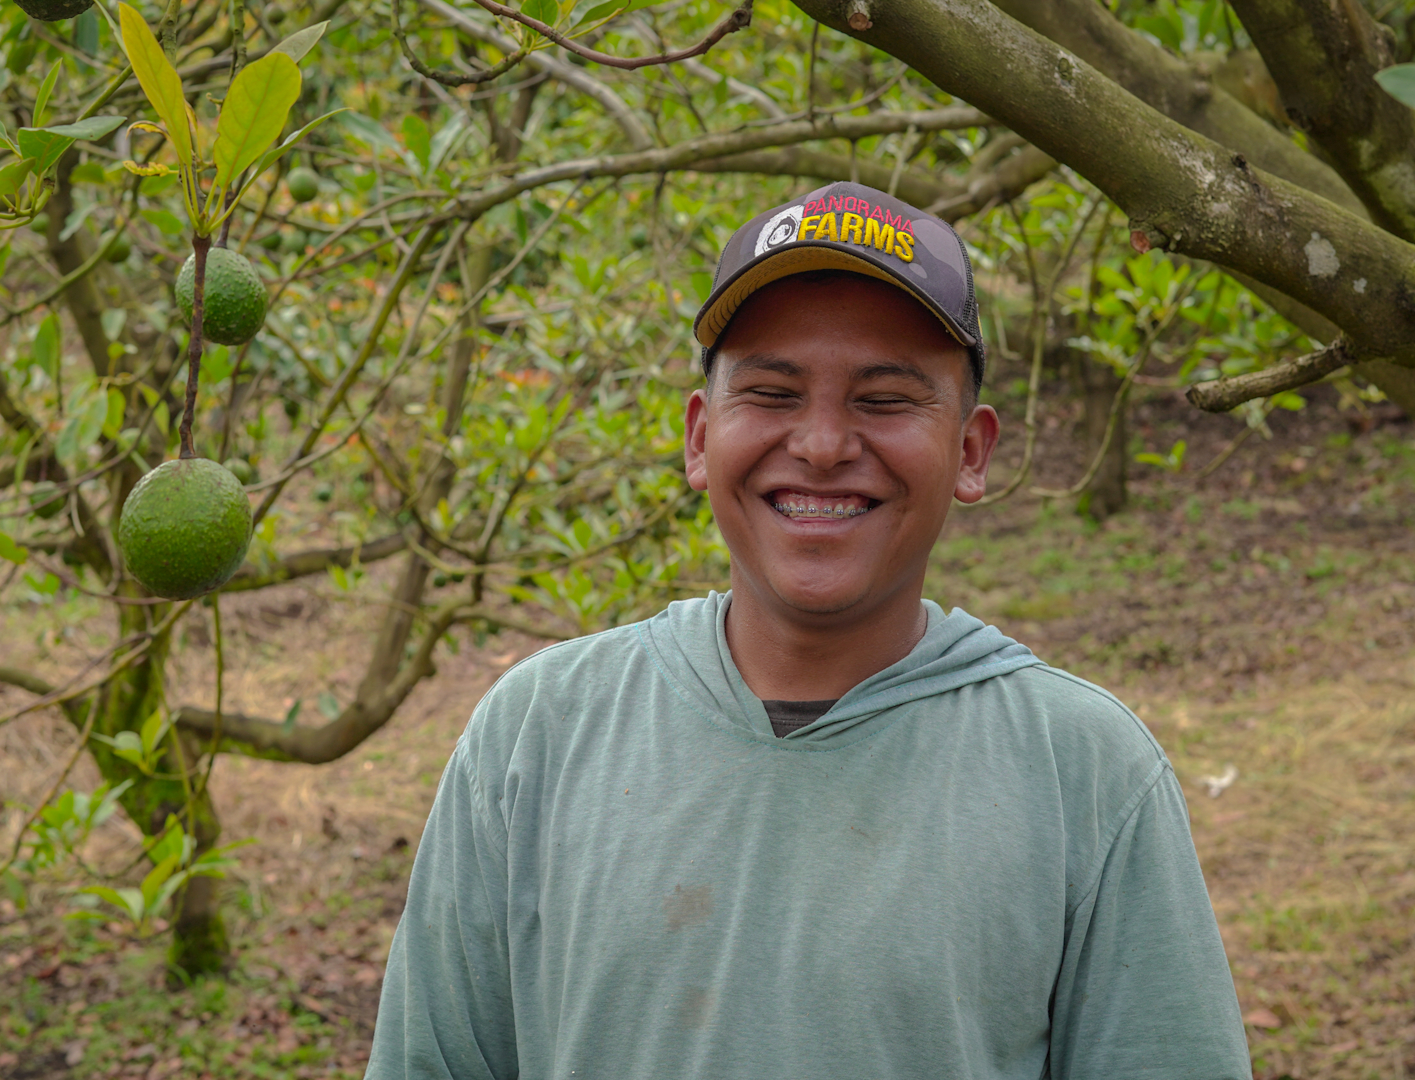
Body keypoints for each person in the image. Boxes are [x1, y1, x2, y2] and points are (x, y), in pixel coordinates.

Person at [365, 181, 1251, 1080]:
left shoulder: (1084, 773)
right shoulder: (537, 735)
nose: (823, 444)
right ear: (700, 437)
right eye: (773, 391)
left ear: (971, 453)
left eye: (884, 399)